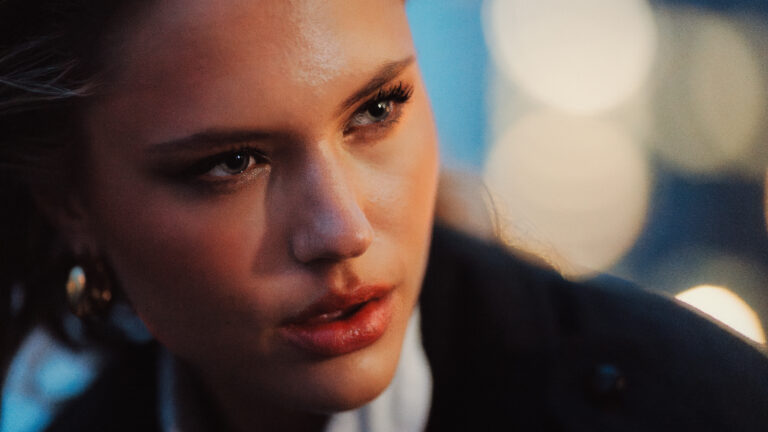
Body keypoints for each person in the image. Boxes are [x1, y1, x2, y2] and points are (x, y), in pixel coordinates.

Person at [1, 1, 766, 431]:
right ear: (69, 202)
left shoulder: (705, 408)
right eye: (232, 162)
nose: (343, 231)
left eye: (376, 109)